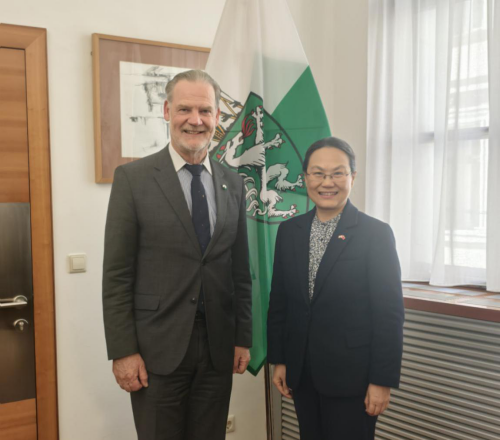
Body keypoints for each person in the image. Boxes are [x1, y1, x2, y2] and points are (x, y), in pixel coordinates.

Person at [102, 69, 252, 440]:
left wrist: (242, 337)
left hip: (217, 348)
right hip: (156, 350)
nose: (195, 120)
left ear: (217, 117)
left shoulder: (233, 183)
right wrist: (123, 351)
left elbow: (239, 270)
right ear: (167, 111)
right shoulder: (133, 179)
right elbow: (117, 275)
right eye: (185, 109)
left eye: (205, 110)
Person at [267, 137, 404, 439]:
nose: (327, 182)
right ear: (305, 178)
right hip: (302, 373)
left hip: (353, 378)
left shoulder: (376, 234)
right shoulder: (289, 231)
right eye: (318, 173)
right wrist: (280, 359)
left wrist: (382, 380)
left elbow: (389, 314)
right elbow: (280, 301)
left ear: (352, 177)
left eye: (337, 173)